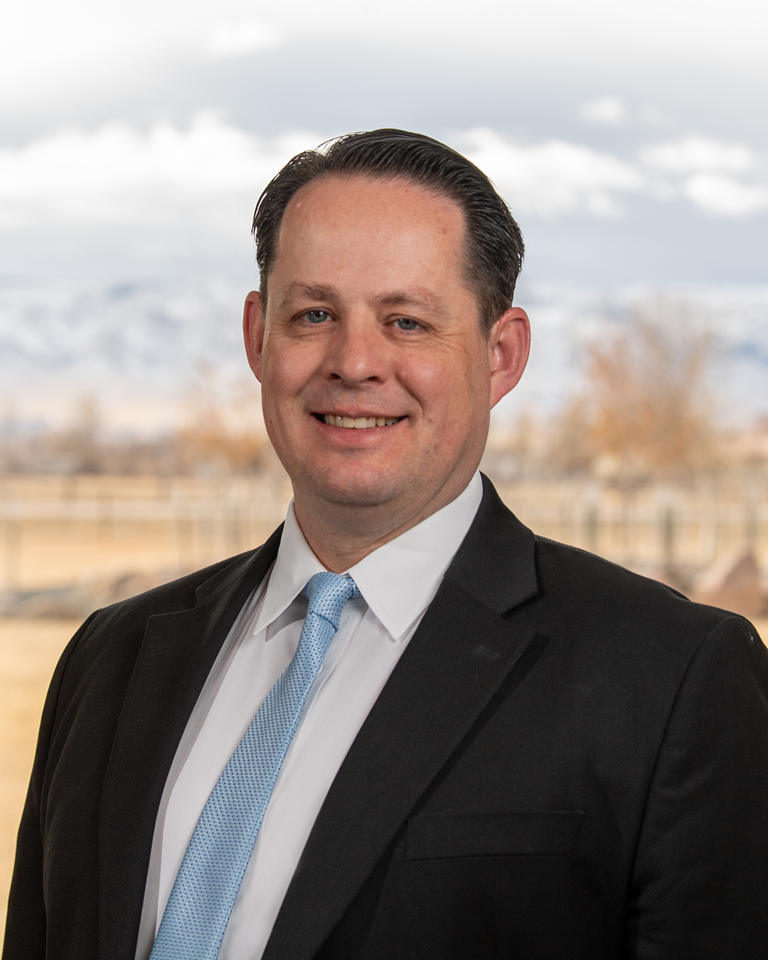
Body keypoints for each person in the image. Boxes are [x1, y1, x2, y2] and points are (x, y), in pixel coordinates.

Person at [4, 129, 768, 960]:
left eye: (406, 321)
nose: (355, 362)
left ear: (502, 354)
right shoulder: (110, 658)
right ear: (260, 336)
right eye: (315, 314)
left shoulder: (670, 678)